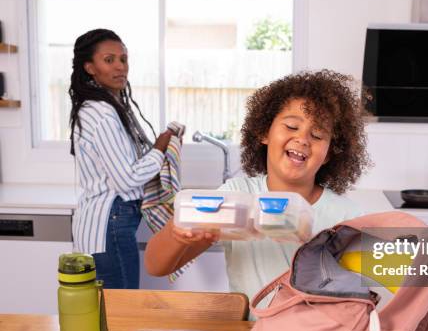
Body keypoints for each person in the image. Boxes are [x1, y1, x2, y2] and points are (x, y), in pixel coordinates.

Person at [144, 70, 371, 301]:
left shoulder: (348, 216)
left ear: (329, 154)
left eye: (317, 134)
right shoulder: (237, 198)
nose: (303, 139)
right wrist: (179, 235)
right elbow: (156, 266)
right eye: (292, 126)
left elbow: (398, 277)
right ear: (264, 132)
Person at [69, 28, 175, 289]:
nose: (120, 67)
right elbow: (127, 178)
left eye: (123, 59)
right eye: (109, 60)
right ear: (90, 67)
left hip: (102, 224)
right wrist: (161, 148)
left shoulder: (103, 107)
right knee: (121, 310)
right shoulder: (103, 113)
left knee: (107, 310)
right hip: (110, 223)